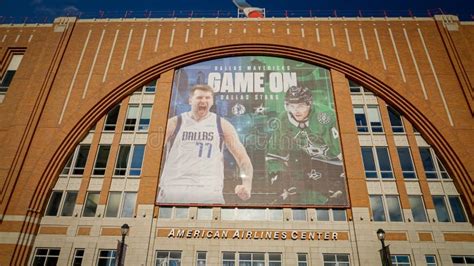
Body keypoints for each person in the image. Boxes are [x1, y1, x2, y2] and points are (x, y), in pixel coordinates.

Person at [158, 84, 253, 204]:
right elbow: (152, 156)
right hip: (174, 190)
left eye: (208, 98)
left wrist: (247, 185)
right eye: (199, 97)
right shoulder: (175, 123)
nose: (204, 101)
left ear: (212, 101)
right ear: (190, 100)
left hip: (208, 192)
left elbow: (243, 158)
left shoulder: (222, 124)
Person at [266, 85, 345, 204]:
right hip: (308, 162)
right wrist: (278, 176)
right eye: (291, 106)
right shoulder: (283, 119)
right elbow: (275, 152)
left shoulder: (324, 117)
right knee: (296, 193)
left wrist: (346, 174)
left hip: (334, 163)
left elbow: (342, 151)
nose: (296, 110)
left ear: (309, 104)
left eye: (301, 106)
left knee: (336, 197)